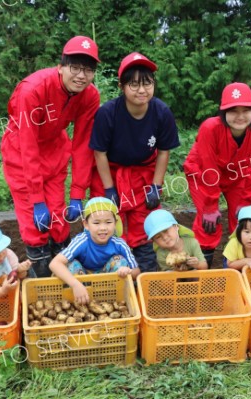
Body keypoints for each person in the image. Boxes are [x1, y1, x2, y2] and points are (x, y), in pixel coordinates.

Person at [0, 36, 101, 277]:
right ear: (61, 66)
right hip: (21, 155)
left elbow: (83, 144)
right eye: (75, 67)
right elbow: (28, 144)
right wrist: (36, 199)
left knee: (58, 220)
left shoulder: (89, 96)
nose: (81, 75)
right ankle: (42, 278)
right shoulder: (33, 90)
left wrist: (77, 193)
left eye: (88, 69)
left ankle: (63, 271)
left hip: (55, 153)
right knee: (34, 223)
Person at [89, 52, 180, 273]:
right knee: (104, 217)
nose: (142, 90)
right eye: (134, 84)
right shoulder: (108, 113)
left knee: (145, 220)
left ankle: (146, 271)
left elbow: (163, 151)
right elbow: (99, 153)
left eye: (147, 83)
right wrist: (109, 188)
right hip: (110, 170)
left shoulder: (161, 112)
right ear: (122, 86)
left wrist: (156, 186)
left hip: (144, 171)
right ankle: (105, 266)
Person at [183, 82, 251, 266]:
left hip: (238, 173)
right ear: (222, 113)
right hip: (202, 172)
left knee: (242, 220)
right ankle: (201, 268)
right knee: (209, 223)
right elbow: (208, 168)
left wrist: (246, 202)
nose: (240, 117)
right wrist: (209, 206)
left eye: (245, 110)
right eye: (233, 111)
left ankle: (234, 266)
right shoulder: (210, 128)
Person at [49, 197, 140, 304]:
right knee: (70, 264)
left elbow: (137, 272)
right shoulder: (81, 241)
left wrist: (128, 271)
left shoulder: (120, 244)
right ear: (86, 225)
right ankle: (79, 298)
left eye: (108, 222)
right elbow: (54, 263)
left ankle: (110, 301)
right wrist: (75, 284)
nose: (103, 228)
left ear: (115, 223)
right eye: (96, 223)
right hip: (82, 281)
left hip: (106, 284)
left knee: (120, 261)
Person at [143, 209, 208, 272]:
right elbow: (166, 278)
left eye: (166, 231)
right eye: (158, 237)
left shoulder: (192, 243)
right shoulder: (161, 254)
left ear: (176, 227)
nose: (165, 237)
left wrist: (197, 264)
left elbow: (204, 267)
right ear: (155, 242)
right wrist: (176, 271)